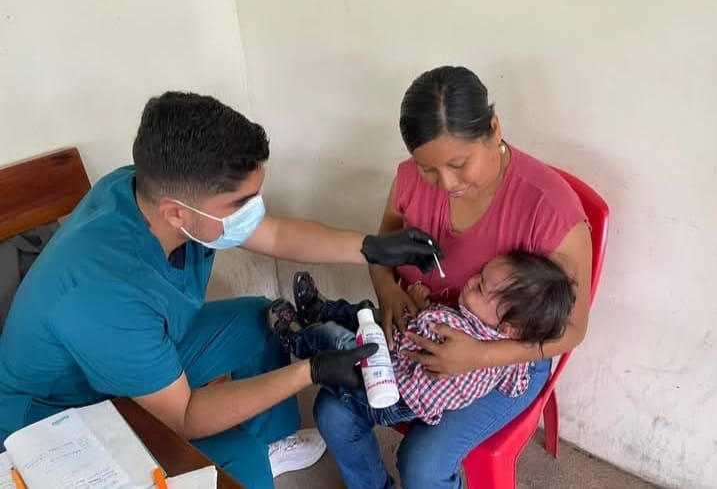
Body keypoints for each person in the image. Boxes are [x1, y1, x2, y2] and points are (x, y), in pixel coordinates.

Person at [0, 92, 444, 489]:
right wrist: (311, 372)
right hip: (58, 413)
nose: (254, 212)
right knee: (238, 461)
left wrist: (372, 248)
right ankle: (254, 458)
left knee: (264, 320)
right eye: (240, 204)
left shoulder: (148, 189)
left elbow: (274, 234)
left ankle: (273, 443)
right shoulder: (106, 293)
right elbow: (186, 416)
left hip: (127, 351)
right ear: (176, 213)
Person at [313, 65, 593, 489]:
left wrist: (479, 356)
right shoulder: (408, 180)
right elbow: (380, 253)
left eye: (459, 164)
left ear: (494, 129)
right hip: (422, 326)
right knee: (331, 411)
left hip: (504, 357)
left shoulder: (550, 210)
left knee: (422, 466)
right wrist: (388, 291)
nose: (445, 183)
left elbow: (572, 331)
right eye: (428, 168)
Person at [267, 250, 576, 439]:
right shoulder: (501, 345)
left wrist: (415, 309)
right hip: (404, 364)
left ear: (508, 327)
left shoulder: (458, 338)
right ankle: (319, 309)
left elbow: (406, 339)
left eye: (481, 287)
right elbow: (515, 384)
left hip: (388, 395)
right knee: (368, 313)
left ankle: (299, 340)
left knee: (341, 339)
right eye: (480, 275)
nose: (471, 280)